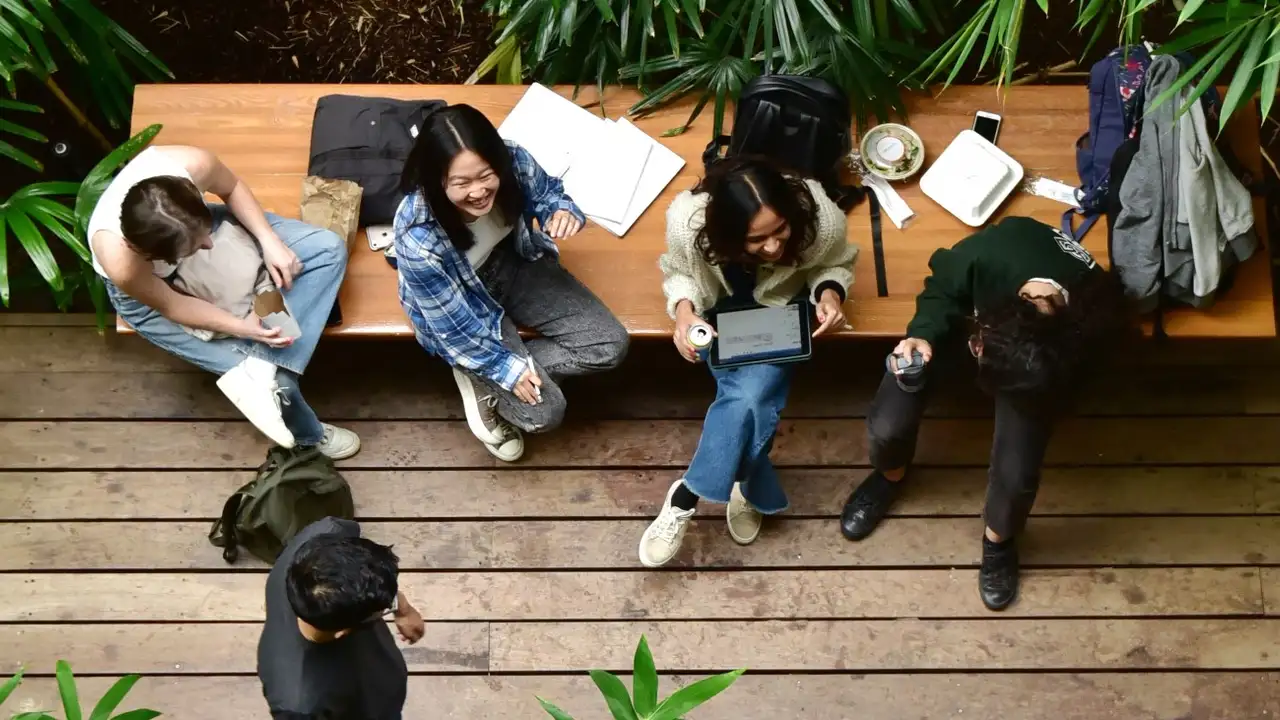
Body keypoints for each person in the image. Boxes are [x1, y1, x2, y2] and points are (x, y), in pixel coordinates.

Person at [838, 216, 1134, 610]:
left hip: (1032, 371)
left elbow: (1077, 382)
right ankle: (890, 473)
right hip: (967, 335)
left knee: (1018, 471)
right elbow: (942, 284)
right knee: (889, 416)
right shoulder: (992, 255)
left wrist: (1034, 384)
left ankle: (1000, 539)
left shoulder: (1095, 321)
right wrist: (923, 332)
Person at [638, 156, 857, 568]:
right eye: (756, 240)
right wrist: (684, 311)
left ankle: (686, 495)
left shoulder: (820, 215)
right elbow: (679, 272)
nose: (773, 247)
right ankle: (747, 484)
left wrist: (830, 293)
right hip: (720, 313)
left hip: (779, 311)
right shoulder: (688, 220)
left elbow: (836, 262)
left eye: (781, 231)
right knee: (750, 402)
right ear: (725, 232)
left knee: (751, 398)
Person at [88, 144, 359, 458]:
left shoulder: (191, 165)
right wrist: (242, 328)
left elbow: (231, 188)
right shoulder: (123, 262)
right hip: (158, 292)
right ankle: (307, 435)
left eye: (204, 237)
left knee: (326, 249)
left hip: (213, 235)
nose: (206, 245)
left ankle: (261, 368)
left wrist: (268, 241)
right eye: (197, 246)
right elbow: (173, 306)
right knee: (276, 381)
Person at [394, 104, 629, 462]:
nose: (478, 192)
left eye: (486, 175)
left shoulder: (513, 157)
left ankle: (483, 374)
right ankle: (481, 372)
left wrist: (560, 211)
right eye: (461, 183)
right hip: (463, 305)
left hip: (513, 263)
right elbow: (455, 330)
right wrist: (502, 365)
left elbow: (550, 192)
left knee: (610, 345)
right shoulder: (416, 236)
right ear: (435, 180)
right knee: (545, 413)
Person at [257, 516, 425, 719]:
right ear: (343, 632)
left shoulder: (325, 534)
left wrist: (402, 609)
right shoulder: (299, 703)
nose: (389, 607)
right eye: (384, 609)